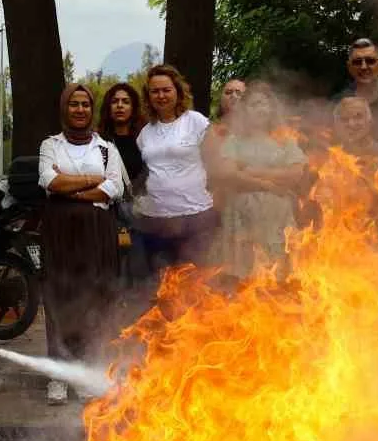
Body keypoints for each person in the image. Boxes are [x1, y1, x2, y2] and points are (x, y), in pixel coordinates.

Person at [37, 83, 123, 405]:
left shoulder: (106, 149)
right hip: (59, 232)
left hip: (96, 232)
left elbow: (113, 189)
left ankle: (85, 373)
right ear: (64, 108)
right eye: (73, 104)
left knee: (92, 299)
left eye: (85, 104)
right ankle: (59, 377)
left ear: (91, 108)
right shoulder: (50, 145)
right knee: (59, 298)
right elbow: (49, 181)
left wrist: (69, 189)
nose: (80, 110)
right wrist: (91, 180)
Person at [207, 82, 309, 279]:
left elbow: (295, 173)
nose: (260, 109)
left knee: (277, 273)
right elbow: (229, 174)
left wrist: (252, 170)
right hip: (242, 214)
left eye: (263, 103)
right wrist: (268, 184)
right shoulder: (234, 141)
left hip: (277, 214)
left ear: (271, 108)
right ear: (245, 110)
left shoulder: (284, 140)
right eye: (253, 105)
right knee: (244, 276)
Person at [132, 64, 220, 273]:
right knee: (162, 287)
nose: (161, 96)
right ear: (148, 96)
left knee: (196, 286)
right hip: (156, 223)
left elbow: (217, 164)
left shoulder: (196, 122)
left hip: (195, 219)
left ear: (178, 92)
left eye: (166, 90)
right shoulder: (145, 133)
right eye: (155, 91)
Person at [97, 81, 148, 286]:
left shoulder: (145, 139)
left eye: (125, 102)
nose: (120, 105)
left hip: (140, 214)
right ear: (108, 107)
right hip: (107, 214)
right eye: (115, 101)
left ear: (133, 107)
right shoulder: (98, 142)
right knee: (111, 274)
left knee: (139, 271)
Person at [332, 96, 378, 194]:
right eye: (344, 119)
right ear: (337, 126)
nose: (351, 124)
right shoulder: (331, 157)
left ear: (370, 122)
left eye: (358, 117)